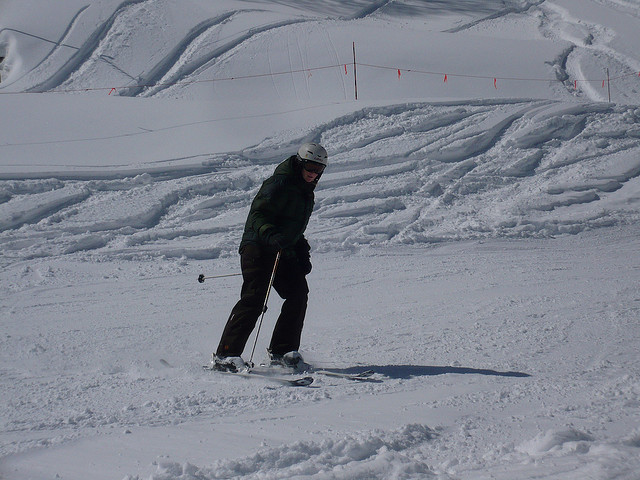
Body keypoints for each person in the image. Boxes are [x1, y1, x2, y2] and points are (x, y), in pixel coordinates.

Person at [212, 142, 328, 372]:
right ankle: (226, 355)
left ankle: (282, 352)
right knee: (254, 299)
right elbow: (257, 215)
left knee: (298, 294)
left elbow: (293, 228)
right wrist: (270, 234)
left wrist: (301, 250)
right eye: (310, 167)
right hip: (257, 246)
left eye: (318, 169)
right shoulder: (279, 183)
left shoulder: (306, 191)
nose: (313, 173)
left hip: (281, 249)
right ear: (300, 164)